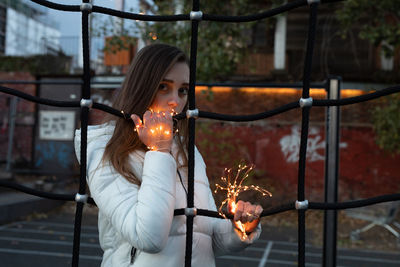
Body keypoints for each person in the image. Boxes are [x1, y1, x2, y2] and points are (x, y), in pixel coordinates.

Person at [74, 43, 263, 267]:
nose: (176, 100)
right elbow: (148, 238)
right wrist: (160, 152)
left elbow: (206, 240)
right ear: (142, 87)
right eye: (164, 87)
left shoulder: (187, 151)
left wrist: (241, 227)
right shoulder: (106, 150)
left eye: (183, 90)